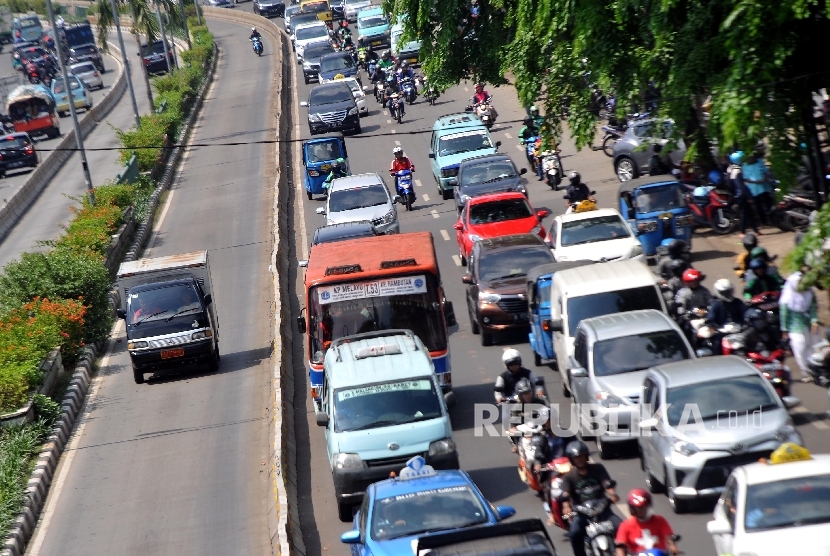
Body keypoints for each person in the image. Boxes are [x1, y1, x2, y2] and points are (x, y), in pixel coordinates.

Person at [560, 440, 622, 556]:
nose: (580, 459)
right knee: (574, 533)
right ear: (572, 460)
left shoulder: (598, 468)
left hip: (603, 510)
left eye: (582, 456)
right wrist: (566, 506)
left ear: (586, 456)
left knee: (621, 527)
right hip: (582, 514)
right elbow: (566, 493)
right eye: (576, 457)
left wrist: (612, 493)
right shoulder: (569, 477)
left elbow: (606, 483)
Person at [780, 268, 819, 383]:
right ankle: (806, 371)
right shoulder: (787, 297)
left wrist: (814, 320)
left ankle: (817, 370)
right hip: (795, 326)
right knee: (800, 347)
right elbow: (784, 315)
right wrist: (784, 330)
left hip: (808, 324)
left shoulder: (808, 293)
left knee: (814, 347)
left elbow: (812, 307)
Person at [615, 489, 679, 556]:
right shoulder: (625, 525)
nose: (641, 511)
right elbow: (620, 546)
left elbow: (668, 537)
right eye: (638, 508)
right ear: (632, 509)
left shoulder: (660, 520)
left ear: (649, 505)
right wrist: (620, 553)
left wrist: (672, 546)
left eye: (643, 507)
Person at [728, 151, 760, 237]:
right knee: (744, 214)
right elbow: (741, 186)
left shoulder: (732, 169)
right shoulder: (737, 171)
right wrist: (749, 196)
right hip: (742, 196)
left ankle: (756, 230)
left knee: (750, 213)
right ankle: (742, 232)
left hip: (741, 195)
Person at [743, 152, 772, 226]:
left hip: (764, 187)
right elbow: (746, 179)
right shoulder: (745, 165)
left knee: (768, 203)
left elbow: (765, 172)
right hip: (754, 189)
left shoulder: (759, 161)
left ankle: (773, 219)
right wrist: (755, 182)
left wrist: (764, 179)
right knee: (758, 206)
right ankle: (764, 221)